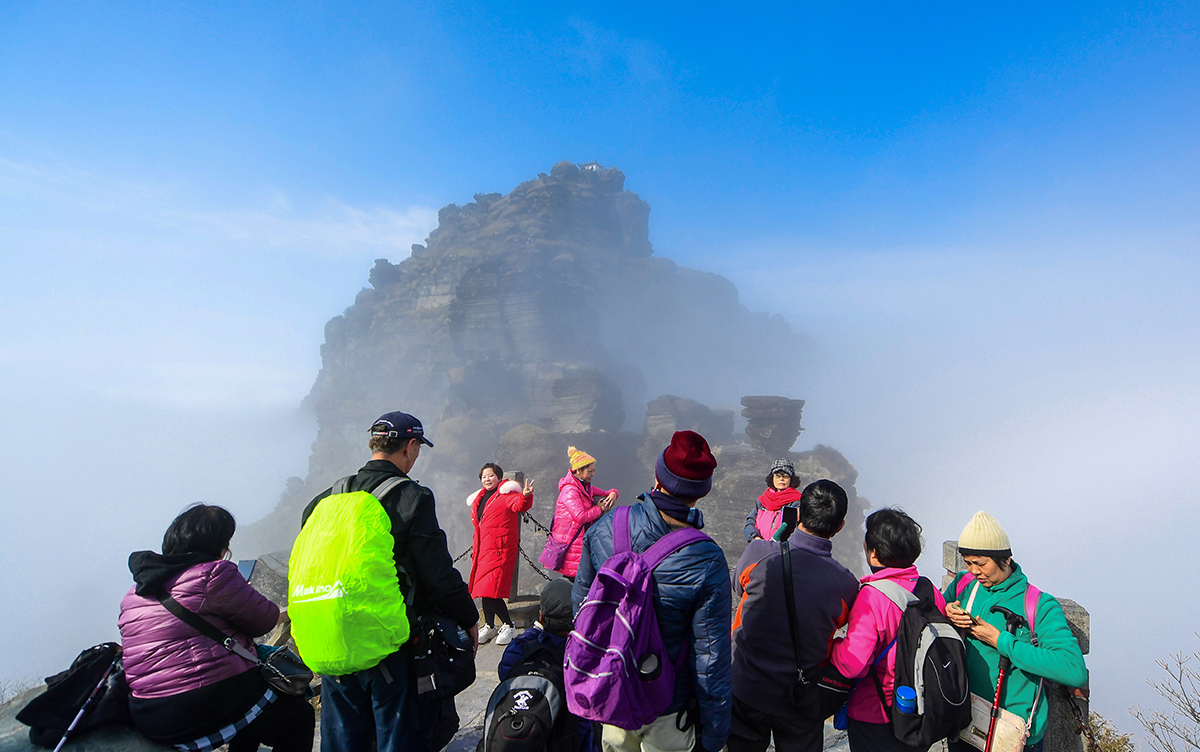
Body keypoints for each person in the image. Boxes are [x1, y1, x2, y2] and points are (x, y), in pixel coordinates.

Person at [300, 410, 479, 752]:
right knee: (396, 737)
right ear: (410, 446)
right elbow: (437, 573)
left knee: (342, 740)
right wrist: (468, 617)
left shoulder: (325, 499)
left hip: (330, 636)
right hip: (387, 641)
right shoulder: (412, 497)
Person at [573, 430, 731, 752]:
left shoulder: (606, 526)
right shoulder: (708, 559)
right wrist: (714, 735)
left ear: (657, 476)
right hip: (668, 705)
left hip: (611, 692)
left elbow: (582, 607)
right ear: (701, 492)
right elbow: (710, 657)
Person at [118, 504, 315, 752]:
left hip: (148, 714)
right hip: (196, 706)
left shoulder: (134, 594)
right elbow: (264, 620)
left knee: (251, 708)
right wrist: (245, 592)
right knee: (298, 717)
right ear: (218, 545)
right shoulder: (212, 574)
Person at [729, 479, 860, 752]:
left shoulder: (759, 553)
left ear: (798, 513)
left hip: (746, 686)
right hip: (801, 695)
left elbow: (738, 587)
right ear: (840, 526)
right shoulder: (846, 585)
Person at [944, 512, 1087, 752]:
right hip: (964, 724)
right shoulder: (964, 585)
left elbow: (1073, 670)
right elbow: (933, 617)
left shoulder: (1038, 605)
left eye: (981, 563)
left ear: (1005, 559)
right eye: (968, 563)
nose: (975, 571)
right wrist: (947, 611)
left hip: (1012, 736)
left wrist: (1001, 642)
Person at [831, 508, 945, 752]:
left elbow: (853, 664)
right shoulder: (929, 590)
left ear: (874, 553)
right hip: (920, 712)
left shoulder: (872, 596)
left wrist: (834, 646)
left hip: (875, 714)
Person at [492, 578, 596, 752]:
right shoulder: (580, 658)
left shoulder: (521, 648)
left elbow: (504, 671)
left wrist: (535, 629)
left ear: (541, 616)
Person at [468, 462, 534, 646]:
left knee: (492, 591)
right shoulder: (480, 498)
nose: (487, 479)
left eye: (491, 475)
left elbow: (519, 505)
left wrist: (526, 495)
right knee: (483, 591)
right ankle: (490, 626)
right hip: (483, 550)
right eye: (484, 476)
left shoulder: (507, 494)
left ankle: (508, 625)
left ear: (499, 477)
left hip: (499, 550)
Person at [548, 446, 618, 581]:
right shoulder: (571, 490)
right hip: (571, 541)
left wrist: (614, 493)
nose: (592, 474)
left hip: (579, 539)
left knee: (578, 579)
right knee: (573, 580)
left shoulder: (585, 486)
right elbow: (580, 517)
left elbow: (606, 493)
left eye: (594, 471)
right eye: (590, 471)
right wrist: (599, 509)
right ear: (579, 470)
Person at [743, 458, 803, 541]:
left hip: (784, 550)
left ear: (791, 479)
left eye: (785, 476)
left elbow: (798, 530)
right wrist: (756, 538)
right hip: (760, 547)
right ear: (772, 478)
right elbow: (750, 523)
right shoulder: (761, 502)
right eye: (778, 475)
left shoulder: (797, 503)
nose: (781, 479)